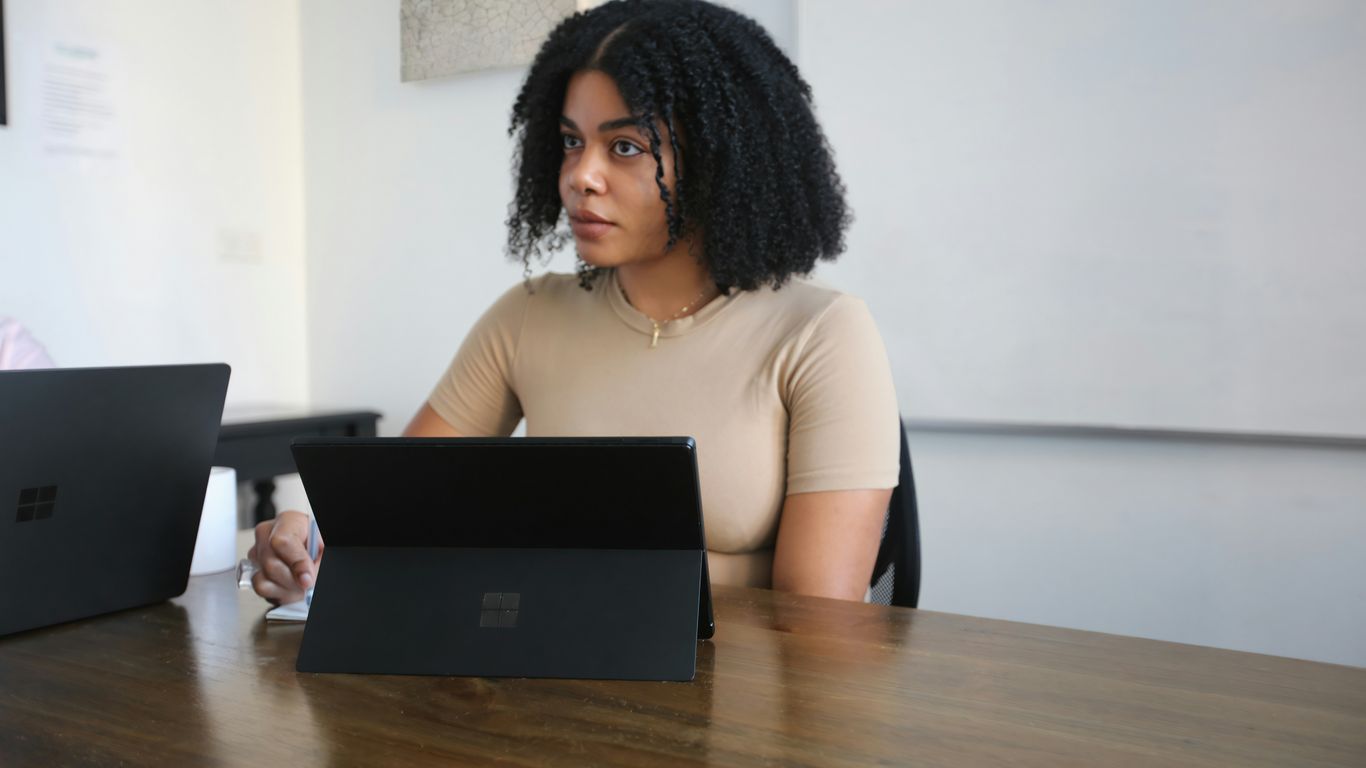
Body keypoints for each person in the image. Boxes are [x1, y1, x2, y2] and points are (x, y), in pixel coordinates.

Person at [250, 0, 899, 606]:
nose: (580, 175)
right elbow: (388, 518)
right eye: (569, 141)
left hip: (739, 712)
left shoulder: (822, 333)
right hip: (557, 693)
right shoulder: (529, 315)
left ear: (717, 161)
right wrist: (304, 535)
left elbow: (816, 622)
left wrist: (548, 567)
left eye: (625, 147)